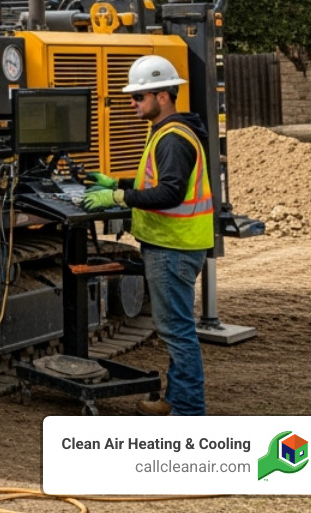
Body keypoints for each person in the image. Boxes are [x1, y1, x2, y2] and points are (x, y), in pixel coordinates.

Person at [82, 53, 213, 416]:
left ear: (163, 96)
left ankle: (188, 412)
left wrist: (117, 196)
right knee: (175, 328)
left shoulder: (172, 139)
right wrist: (119, 182)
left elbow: (169, 193)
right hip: (175, 244)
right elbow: (156, 183)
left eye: (139, 96)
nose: (132, 103)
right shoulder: (168, 133)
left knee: (177, 331)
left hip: (173, 246)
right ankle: (177, 399)